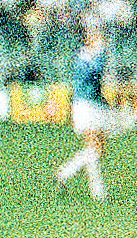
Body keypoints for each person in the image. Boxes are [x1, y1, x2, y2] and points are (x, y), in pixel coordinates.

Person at [54, 14, 129, 200]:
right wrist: (102, 53)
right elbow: (93, 73)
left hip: (94, 104)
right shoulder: (85, 58)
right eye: (96, 36)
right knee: (95, 146)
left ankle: (66, 174)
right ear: (88, 40)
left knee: (98, 148)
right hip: (85, 105)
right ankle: (96, 191)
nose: (100, 39)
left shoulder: (90, 56)